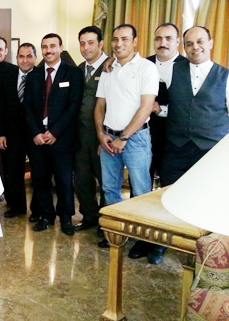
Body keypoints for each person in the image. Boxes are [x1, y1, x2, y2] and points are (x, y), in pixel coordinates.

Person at [139, 26, 229, 265]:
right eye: (189, 43)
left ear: (210, 43)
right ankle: (160, 244)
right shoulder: (172, 70)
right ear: (184, 46)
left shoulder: (225, 76)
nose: (195, 47)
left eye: (200, 42)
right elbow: (145, 74)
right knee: (167, 197)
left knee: (206, 201)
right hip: (176, 147)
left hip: (209, 151)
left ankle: (205, 251)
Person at [94, 24, 159, 259]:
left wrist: (124, 137)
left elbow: (146, 107)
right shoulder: (108, 69)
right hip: (109, 138)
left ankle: (143, 240)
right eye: (115, 39)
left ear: (135, 41)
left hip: (136, 138)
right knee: (109, 188)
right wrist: (101, 134)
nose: (119, 43)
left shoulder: (146, 68)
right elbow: (99, 105)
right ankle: (117, 233)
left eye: (124, 39)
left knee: (140, 191)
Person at [24, 33, 83, 236]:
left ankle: (66, 217)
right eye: (44, 47)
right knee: (40, 180)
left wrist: (55, 132)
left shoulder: (72, 73)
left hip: (62, 138)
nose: (48, 50)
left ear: (60, 48)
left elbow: (73, 106)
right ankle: (45, 216)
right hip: (38, 139)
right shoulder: (33, 75)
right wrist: (36, 133)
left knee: (64, 180)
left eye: (52, 46)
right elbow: (27, 107)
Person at [73, 26, 108, 242]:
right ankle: (89, 216)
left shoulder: (112, 67)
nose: (86, 47)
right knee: (82, 179)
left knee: (106, 182)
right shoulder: (78, 70)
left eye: (91, 42)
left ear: (101, 43)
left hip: (102, 136)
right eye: (82, 43)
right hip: (80, 136)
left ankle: (106, 223)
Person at [0, 43, 36, 218]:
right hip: (12, 133)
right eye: (21, 56)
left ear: (35, 58)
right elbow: (1, 106)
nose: (25, 60)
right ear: (17, 57)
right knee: (12, 171)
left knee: (38, 173)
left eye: (29, 56)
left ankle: (38, 210)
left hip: (35, 133)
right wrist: (1, 133)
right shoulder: (8, 76)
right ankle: (16, 206)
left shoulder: (41, 76)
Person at [146, 23, 187, 187]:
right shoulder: (143, 64)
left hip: (175, 137)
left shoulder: (188, 66)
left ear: (177, 41)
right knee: (141, 183)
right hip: (145, 133)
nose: (163, 43)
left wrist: (160, 109)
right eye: (158, 38)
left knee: (170, 185)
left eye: (168, 38)